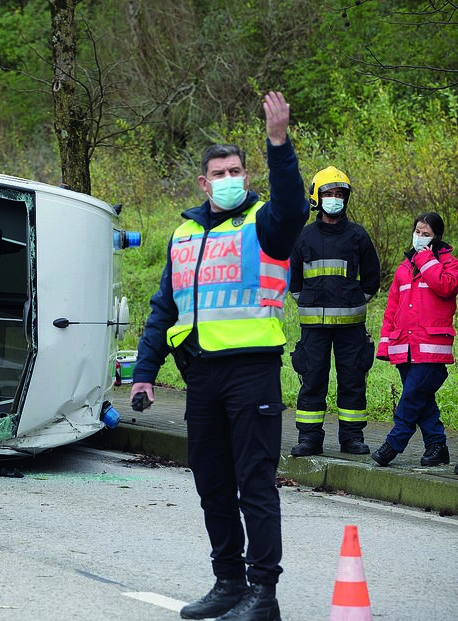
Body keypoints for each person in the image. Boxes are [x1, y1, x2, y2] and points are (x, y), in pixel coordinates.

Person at [129, 91, 308, 621]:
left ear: (246, 176)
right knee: (212, 485)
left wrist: (279, 143)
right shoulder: (183, 234)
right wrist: (143, 374)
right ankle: (228, 581)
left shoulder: (265, 225)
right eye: (219, 172)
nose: (229, 178)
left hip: (251, 373)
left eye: (237, 170)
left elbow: (295, 205)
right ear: (203, 183)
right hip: (200, 378)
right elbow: (165, 307)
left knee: (254, 485)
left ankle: (263, 594)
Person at [288, 167, 381, 457]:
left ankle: (352, 438)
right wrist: (310, 304)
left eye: (340, 194)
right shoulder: (304, 237)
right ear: (317, 197)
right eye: (329, 194)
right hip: (313, 326)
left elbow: (371, 278)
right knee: (312, 379)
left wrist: (353, 300)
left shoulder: (357, 236)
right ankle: (309, 438)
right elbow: (294, 282)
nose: (335, 199)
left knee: (352, 379)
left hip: (351, 325)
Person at [372, 212, 458, 468]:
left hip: (430, 348)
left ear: (437, 238)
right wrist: (386, 343)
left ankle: (393, 444)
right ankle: (437, 445)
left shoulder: (449, 264)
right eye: (417, 232)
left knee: (411, 399)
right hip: (403, 347)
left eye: (426, 234)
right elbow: (392, 309)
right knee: (422, 400)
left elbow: (446, 287)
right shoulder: (404, 267)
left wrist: (425, 258)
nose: (419, 238)